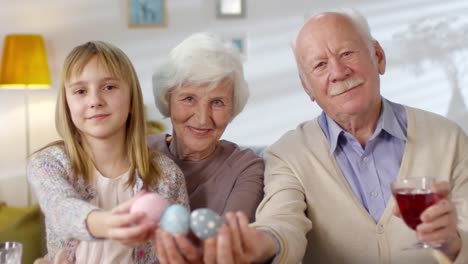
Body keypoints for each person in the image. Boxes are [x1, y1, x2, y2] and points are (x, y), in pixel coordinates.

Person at [204, 9, 468, 264]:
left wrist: (451, 242)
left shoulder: (449, 138)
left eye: (347, 53)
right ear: (307, 87)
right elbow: (282, 223)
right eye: (320, 65)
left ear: (378, 56)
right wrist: (259, 246)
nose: (339, 72)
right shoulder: (287, 154)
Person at [27, 41, 189, 263]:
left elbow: (178, 247)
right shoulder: (48, 164)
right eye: (81, 91)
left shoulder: (167, 175)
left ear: (132, 100)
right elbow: (60, 208)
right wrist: (108, 223)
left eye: (109, 87)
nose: (95, 101)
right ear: (67, 105)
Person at [148, 32, 264, 262]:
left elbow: (225, 247)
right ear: (168, 100)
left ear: (232, 109)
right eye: (189, 98)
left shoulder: (246, 167)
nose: (202, 119)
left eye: (217, 102)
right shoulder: (138, 152)